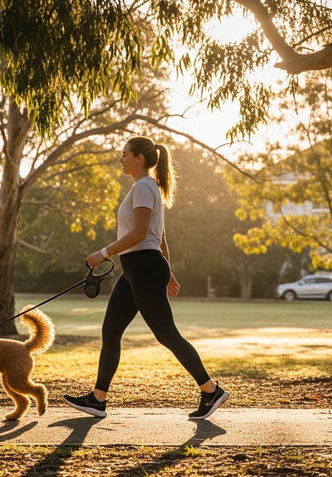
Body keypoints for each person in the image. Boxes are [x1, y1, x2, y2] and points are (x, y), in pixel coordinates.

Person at [64, 137, 229, 420]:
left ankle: (211, 390)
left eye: (125, 154)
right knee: (111, 331)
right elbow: (159, 235)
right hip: (138, 269)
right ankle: (98, 400)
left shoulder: (143, 187)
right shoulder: (145, 187)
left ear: (139, 158)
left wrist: (103, 253)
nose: (121, 159)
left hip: (143, 268)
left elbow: (141, 233)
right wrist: (168, 270)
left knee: (166, 334)